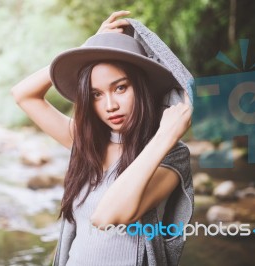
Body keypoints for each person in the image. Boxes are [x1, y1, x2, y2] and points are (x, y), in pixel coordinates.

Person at [11, 10, 193, 266]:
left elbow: (108, 217)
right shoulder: (87, 143)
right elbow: (23, 94)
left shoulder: (171, 154)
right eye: (96, 94)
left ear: (142, 88)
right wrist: (87, 48)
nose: (110, 105)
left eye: (120, 88)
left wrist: (165, 135)